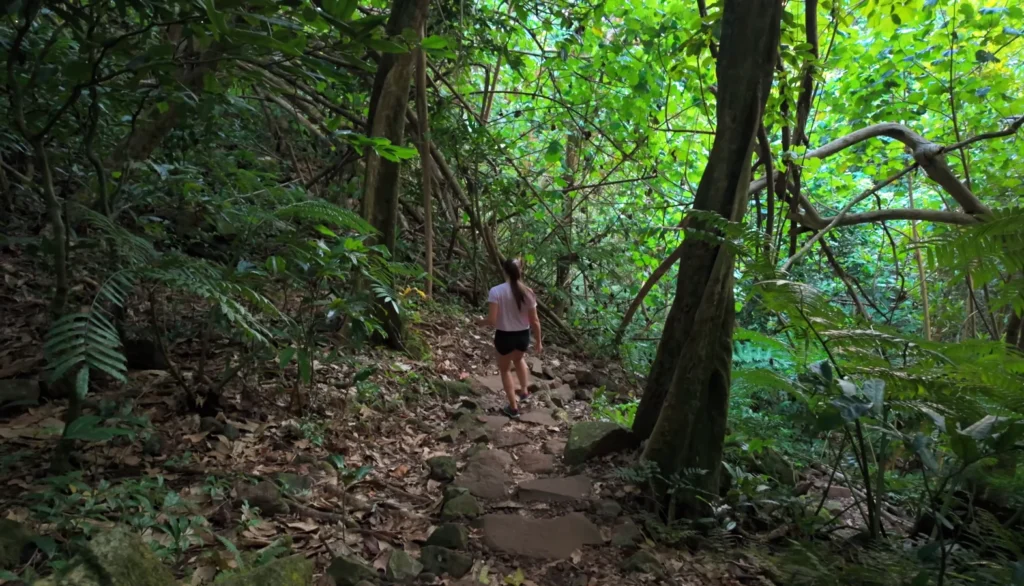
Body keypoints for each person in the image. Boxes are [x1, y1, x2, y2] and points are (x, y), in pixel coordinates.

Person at [478, 257, 542, 418]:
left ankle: (513, 408)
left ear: (505, 271)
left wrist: (480, 322)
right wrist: (539, 342)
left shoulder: (496, 291)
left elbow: (492, 320)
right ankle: (524, 391)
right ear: (520, 271)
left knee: (505, 370)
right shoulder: (528, 292)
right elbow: (534, 321)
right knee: (519, 360)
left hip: (504, 336)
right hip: (523, 336)